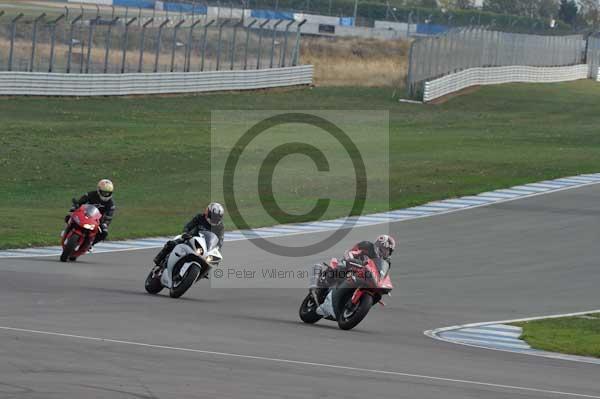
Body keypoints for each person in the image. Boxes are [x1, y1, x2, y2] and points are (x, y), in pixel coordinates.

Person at [313, 234, 396, 318]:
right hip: (351, 265)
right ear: (378, 245)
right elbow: (351, 252)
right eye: (385, 249)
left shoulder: (386, 262)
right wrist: (351, 260)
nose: (386, 252)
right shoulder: (367, 246)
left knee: (377, 293)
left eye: (389, 251)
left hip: (364, 276)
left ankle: (352, 304)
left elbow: (383, 275)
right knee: (341, 268)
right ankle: (320, 285)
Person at [153, 202, 225, 267]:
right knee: (172, 244)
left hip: (205, 248)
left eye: (216, 217)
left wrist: (217, 253)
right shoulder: (200, 217)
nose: (214, 219)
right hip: (191, 238)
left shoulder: (220, 227)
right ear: (208, 213)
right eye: (213, 216)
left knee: (209, 264)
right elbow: (189, 226)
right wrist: (185, 233)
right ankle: (158, 260)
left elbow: (219, 242)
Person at [66, 179, 115, 248]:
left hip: (97, 221)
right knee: (68, 218)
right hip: (84, 215)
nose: (105, 195)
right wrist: (72, 211)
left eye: (107, 193)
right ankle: (67, 231)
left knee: (104, 233)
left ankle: (91, 244)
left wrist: (105, 224)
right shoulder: (90, 195)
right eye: (104, 193)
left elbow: (109, 216)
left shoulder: (110, 203)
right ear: (99, 190)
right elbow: (79, 203)